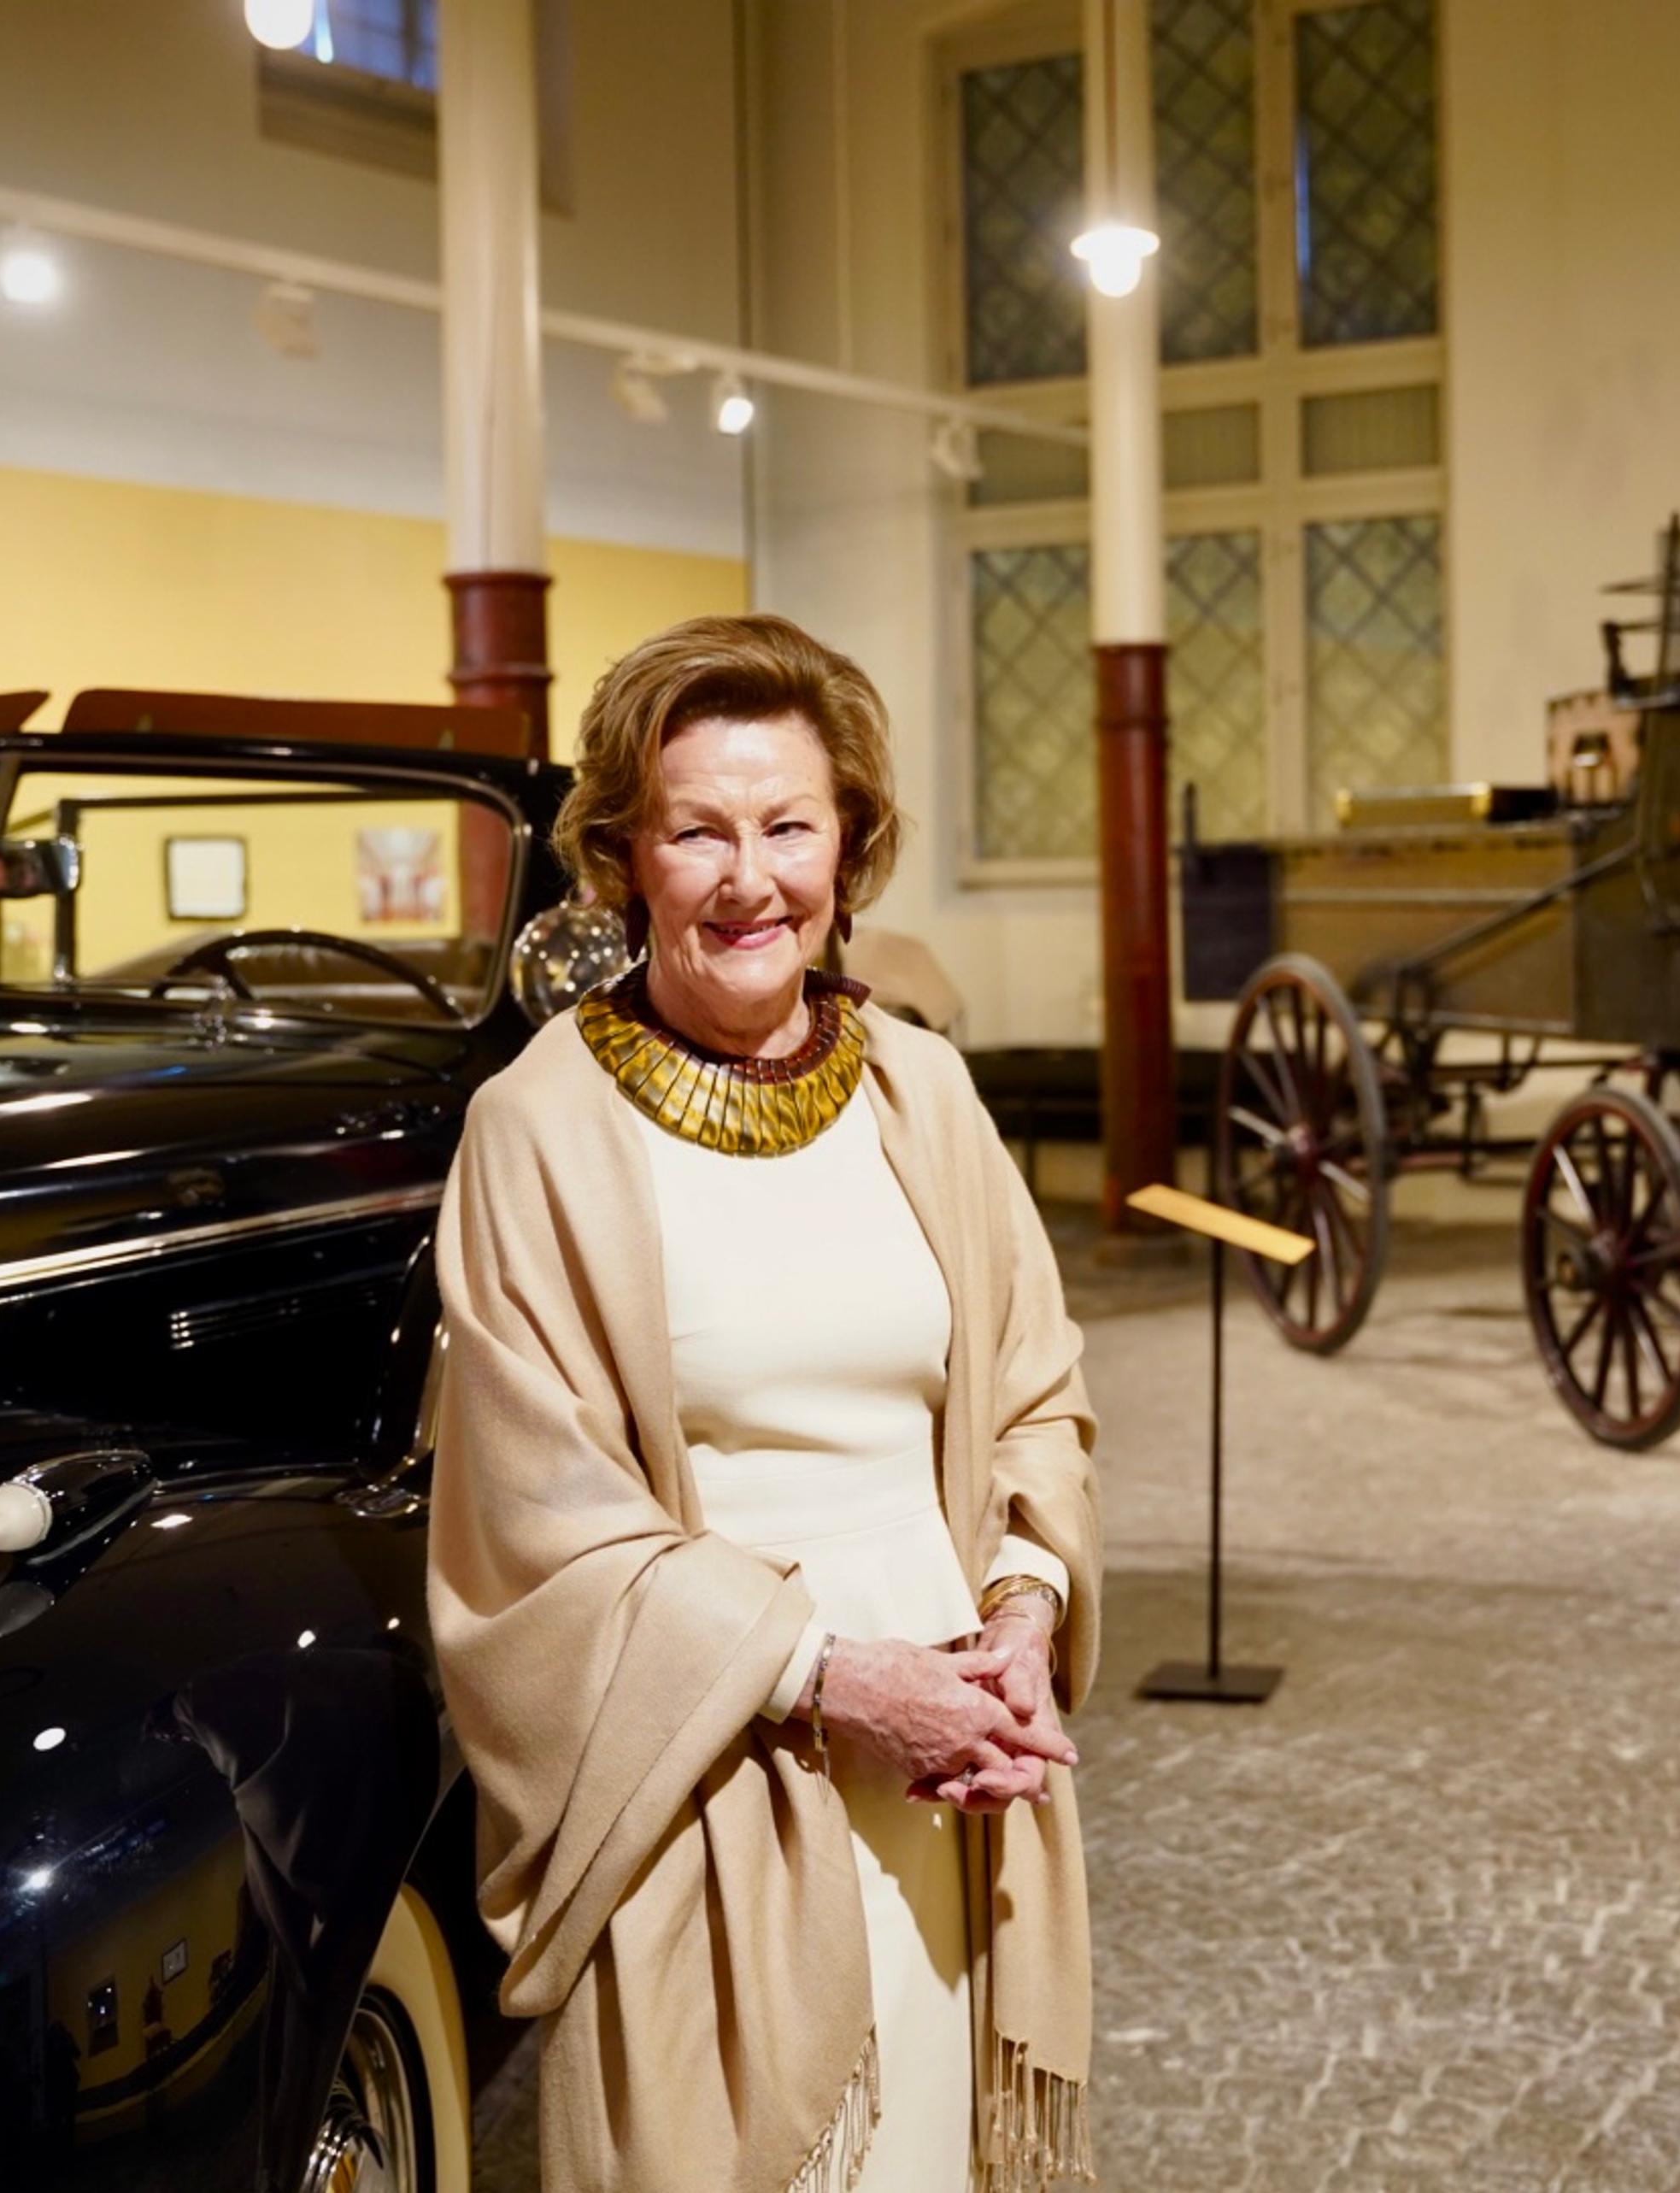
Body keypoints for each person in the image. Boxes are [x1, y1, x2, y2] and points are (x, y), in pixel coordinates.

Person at [426, 614, 1099, 2192]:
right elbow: (540, 1527)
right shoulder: (538, 1132)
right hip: (708, 1777)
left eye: (790, 827)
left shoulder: (926, 1092)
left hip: (955, 1778)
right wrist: (833, 1675)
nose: (751, 880)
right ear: (623, 855)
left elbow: (1036, 1395)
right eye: (698, 832)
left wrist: (1022, 1611)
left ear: (848, 847)